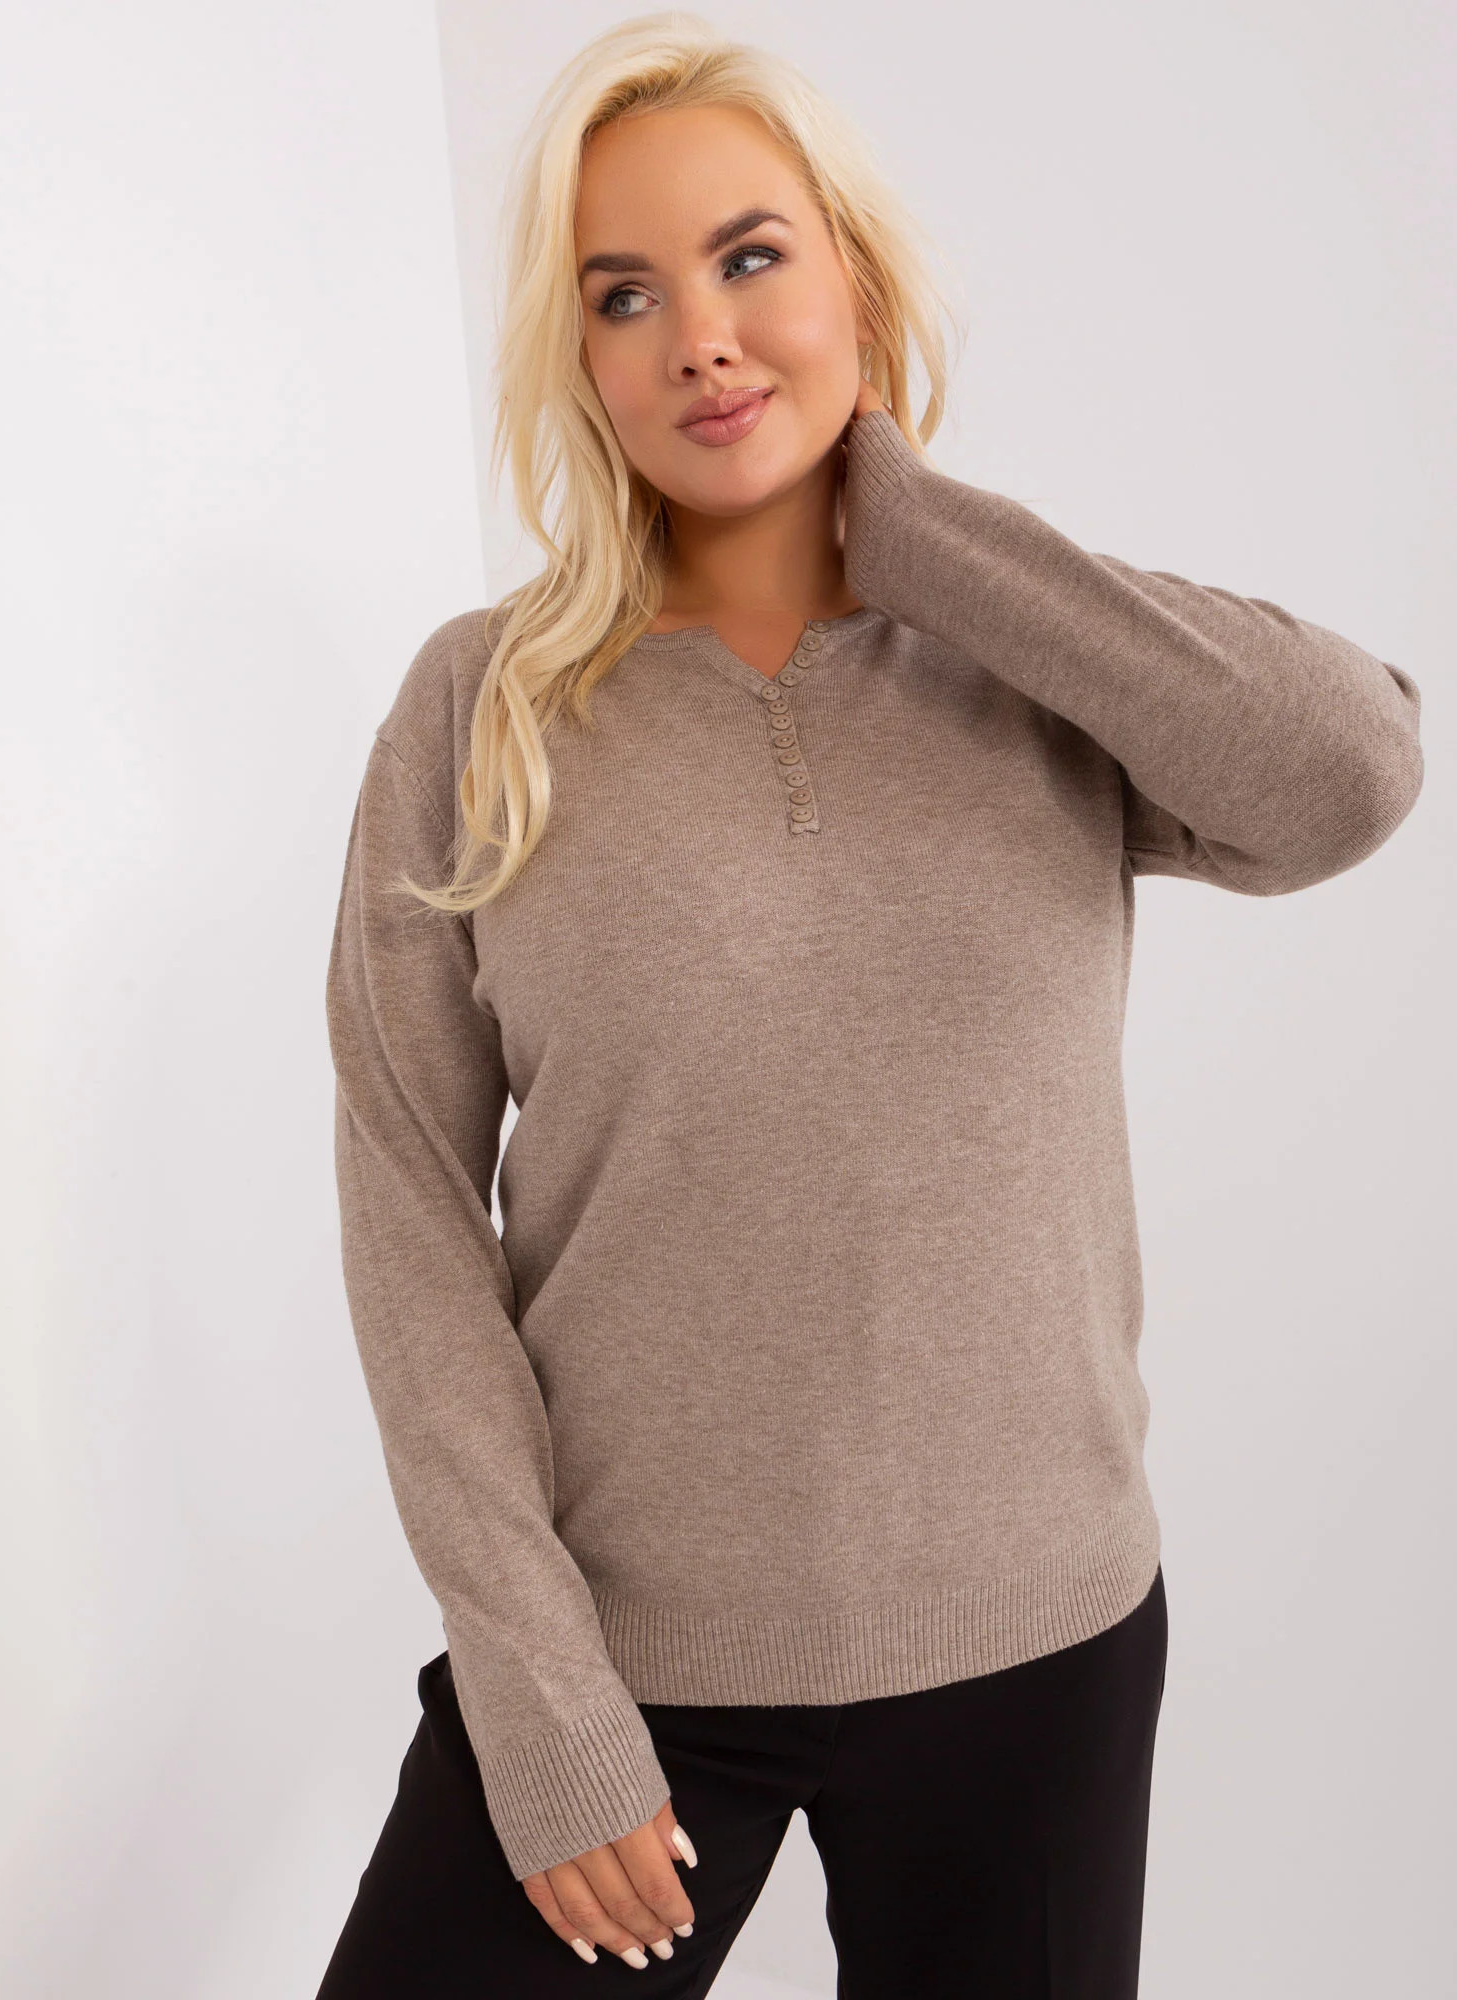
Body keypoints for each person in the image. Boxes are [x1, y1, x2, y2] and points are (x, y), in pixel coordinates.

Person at [315, 15, 1424, 1997]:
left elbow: (1351, 773)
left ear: (858, 280)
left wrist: (923, 540)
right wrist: (538, 1698)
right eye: (624, 295)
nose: (700, 338)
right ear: (579, 358)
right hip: (628, 1665)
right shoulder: (478, 708)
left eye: (751, 258)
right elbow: (410, 1211)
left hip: (1040, 1647)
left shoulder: (1038, 664)